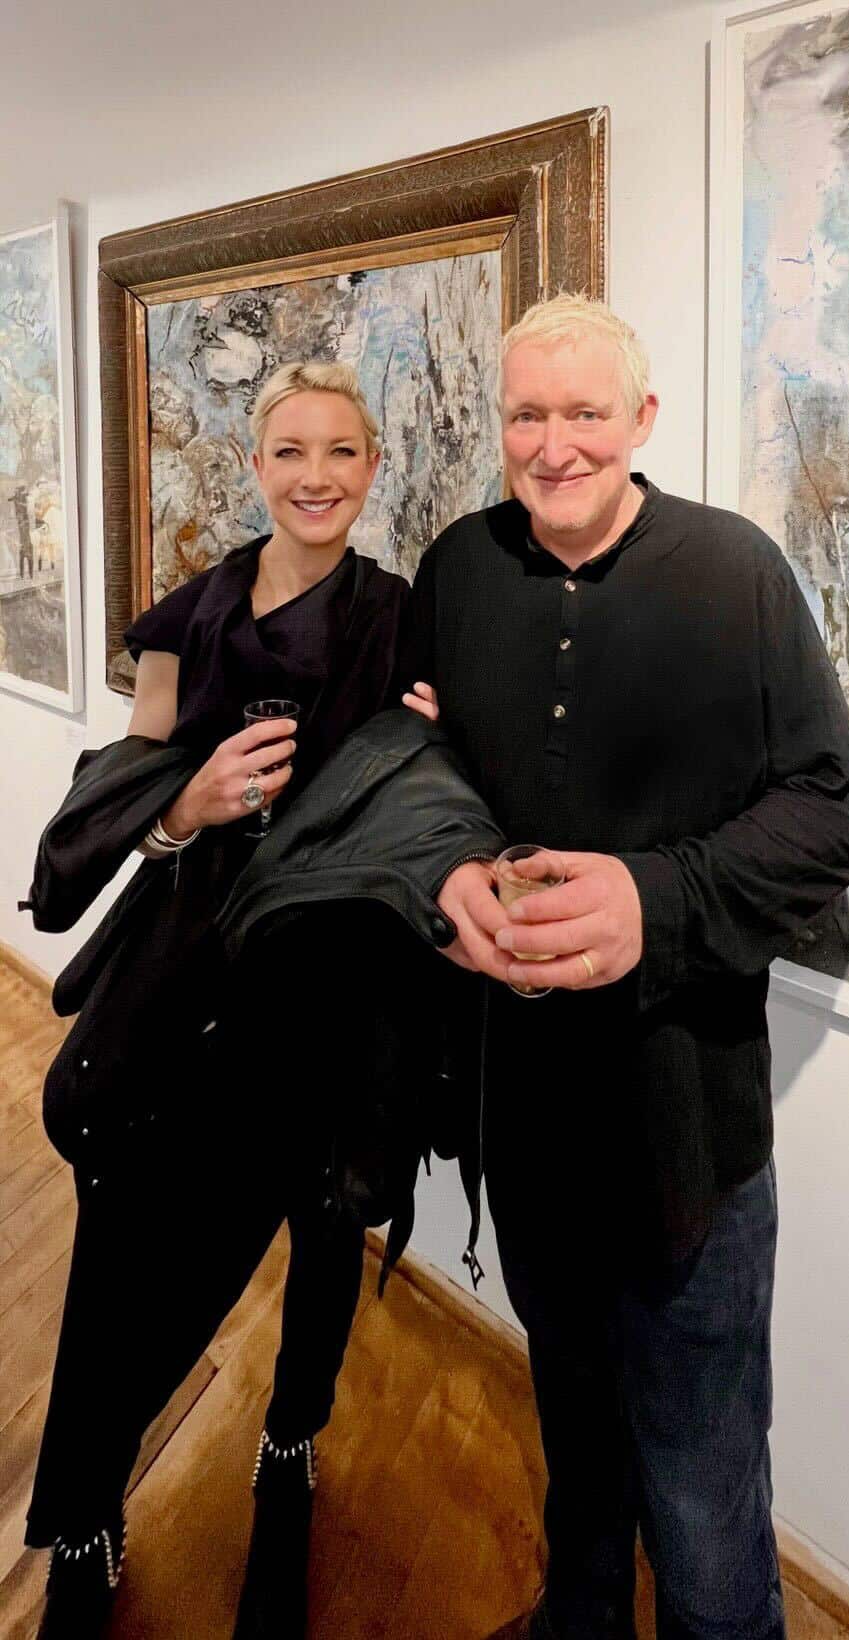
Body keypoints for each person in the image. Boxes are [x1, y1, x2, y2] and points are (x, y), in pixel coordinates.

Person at [399, 293, 849, 1640]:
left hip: (687, 1140)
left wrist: (652, 898)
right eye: (527, 416)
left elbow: (835, 811)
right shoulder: (458, 565)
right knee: (580, 1450)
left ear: (642, 421)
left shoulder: (733, 572)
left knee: (705, 1491)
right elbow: (411, 764)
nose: (554, 446)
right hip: (526, 1122)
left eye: (585, 414)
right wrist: (442, 864)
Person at [23, 360, 433, 1639]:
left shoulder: (404, 619)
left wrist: (426, 744)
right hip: (188, 988)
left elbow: (440, 792)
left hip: (335, 997)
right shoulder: (188, 620)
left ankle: (289, 1444)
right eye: (291, 450)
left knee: (324, 1231)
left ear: (373, 469)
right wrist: (184, 804)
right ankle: (84, 1511)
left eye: (343, 452)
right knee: (120, 1263)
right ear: (256, 467)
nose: (317, 475)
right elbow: (108, 802)